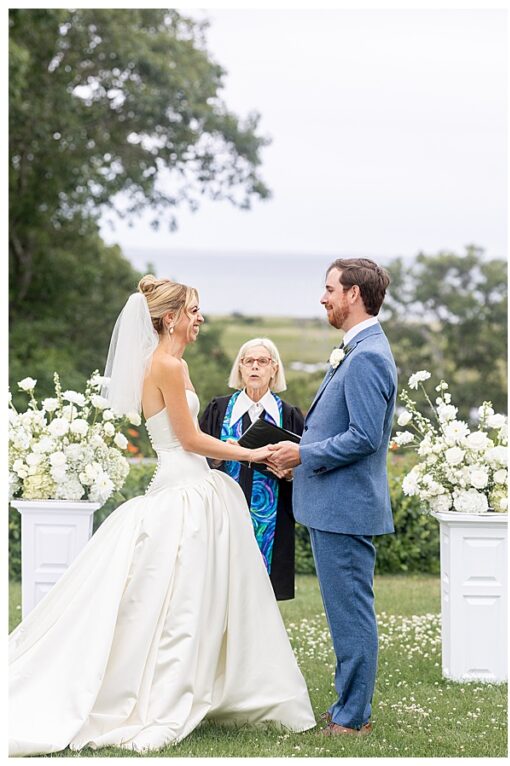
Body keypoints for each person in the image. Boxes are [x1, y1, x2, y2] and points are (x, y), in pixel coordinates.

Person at [8, 276, 315, 756]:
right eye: (193, 310)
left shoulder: (176, 365)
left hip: (195, 483)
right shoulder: (166, 365)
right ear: (169, 317)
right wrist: (254, 455)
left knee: (190, 598)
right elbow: (190, 440)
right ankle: (161, 695)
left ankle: (214, 683)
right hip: (181, 487)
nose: (199, 319)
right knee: (177, 604)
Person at [267, 258, 397, 737]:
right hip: (334, 505)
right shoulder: (358, 349)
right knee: (344, 613)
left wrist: (303, 454)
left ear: (353, 295)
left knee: (351, 613)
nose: (322, 297)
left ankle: (353, 717)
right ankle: (348, 705)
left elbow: (364, 437)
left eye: (328, 289)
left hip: (345, 508)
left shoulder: (367, 357)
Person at [200, 337, 304, 600]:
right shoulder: (219, 410)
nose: (255, 367)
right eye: (249, 361)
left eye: (262, 361)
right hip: (221, 511)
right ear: (240, 369)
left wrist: (292, 474)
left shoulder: (289, 415)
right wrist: (222, 455)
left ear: (274, 369)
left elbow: (306, 462)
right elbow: (197, 456)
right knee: (218, 590)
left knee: (262, 597)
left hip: (272, 517)